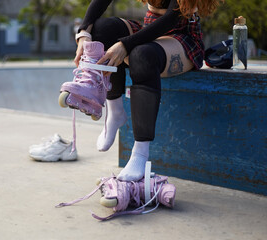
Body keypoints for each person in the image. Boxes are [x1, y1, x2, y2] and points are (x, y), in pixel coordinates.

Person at [73, 0, 222, 181]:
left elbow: (170, 19)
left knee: (141, 55)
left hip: (181, 36)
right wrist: (83, 33)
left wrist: (126, 45)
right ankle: (115, 112)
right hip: (149, 28)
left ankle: (140, 154)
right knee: (101, 29)